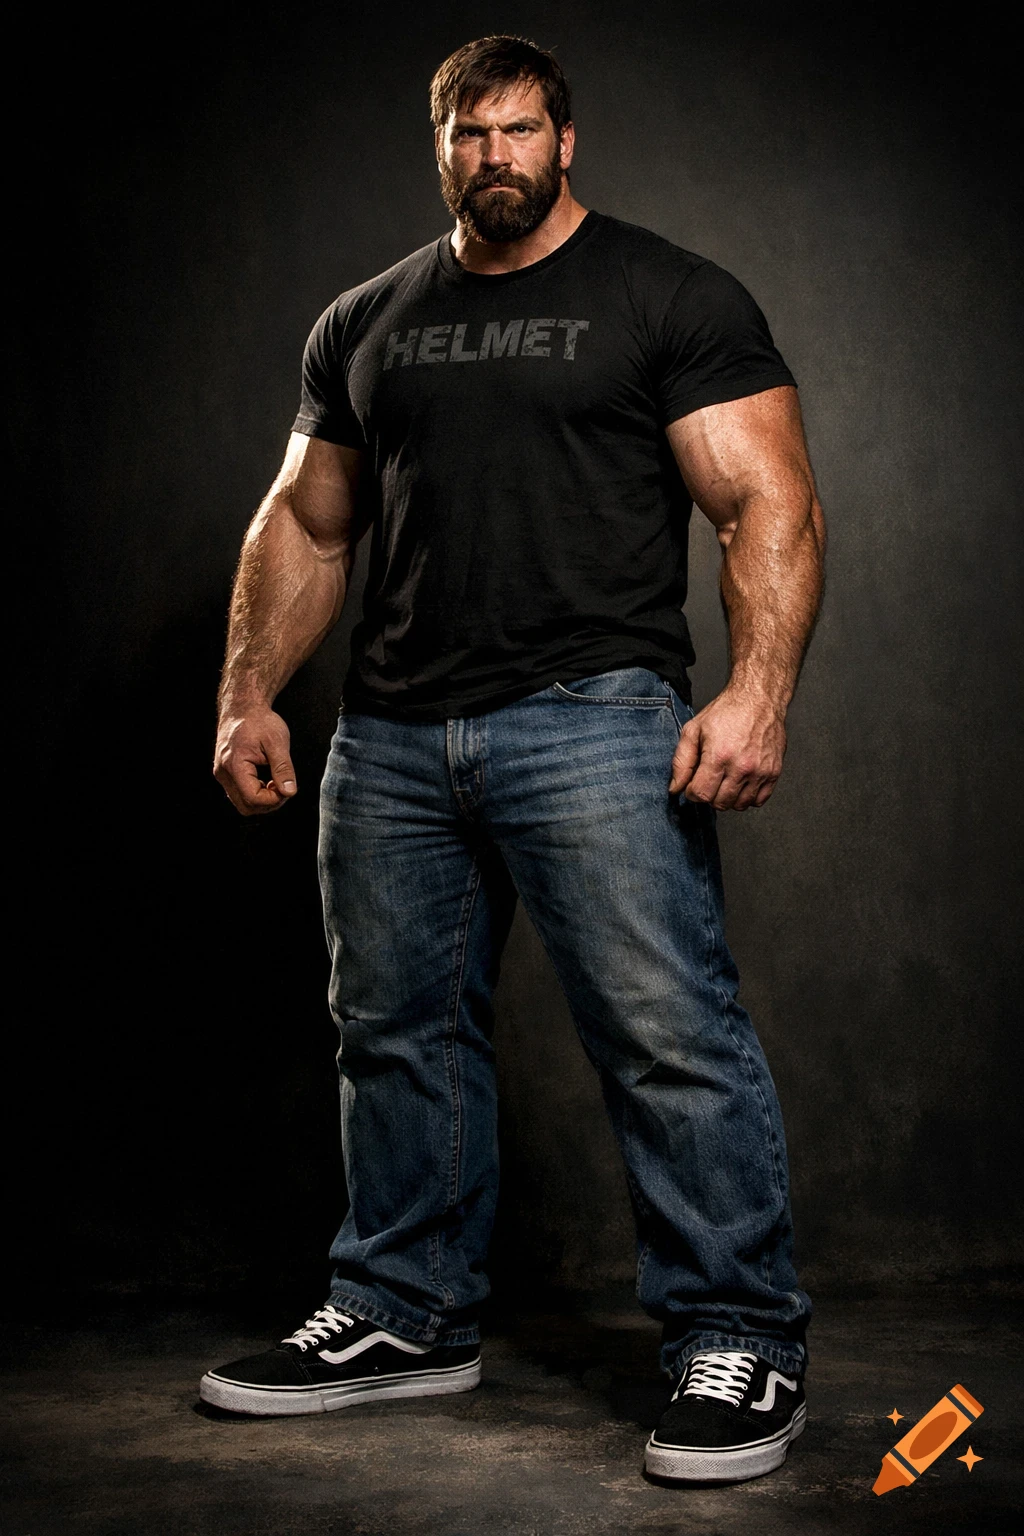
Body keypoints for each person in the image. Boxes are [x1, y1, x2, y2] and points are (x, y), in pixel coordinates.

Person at [205, 34, 825, 1485]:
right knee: (394, 1036)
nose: (498, 157)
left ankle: (740, 1334)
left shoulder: (666, 294)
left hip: (594, 720)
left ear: (568, 141)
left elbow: (766, 502)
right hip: (396, 740)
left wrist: (759, 696)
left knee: (669, 1039)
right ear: (440, 146)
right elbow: (307, 524)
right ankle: (402, 1311)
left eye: (522, 131)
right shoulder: (366, 319)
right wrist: (248, 696)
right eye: (470, 135)